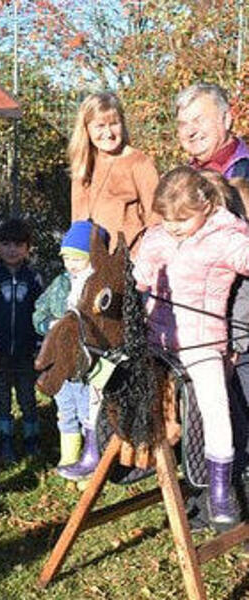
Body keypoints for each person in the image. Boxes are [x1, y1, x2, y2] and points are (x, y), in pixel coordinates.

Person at [133, 166, 249, 530]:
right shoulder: (157, 237)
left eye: (182, 219)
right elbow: (140, 277)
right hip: (157, 338)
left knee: (215, 403)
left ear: (206, 204)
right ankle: (108, 450)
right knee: (113, 376)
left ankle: (219, 486)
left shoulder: (227, 236)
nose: (173, 226)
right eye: (166, 218)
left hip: (202, 341)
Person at [176, 82, 249, 528]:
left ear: (226, 118)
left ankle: (239, 498)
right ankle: (221, 495)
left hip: (243, 308)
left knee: (242, 396)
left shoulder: (245, 167)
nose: (189, 130)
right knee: (210, 404)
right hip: (204, 309)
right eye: (183, 124)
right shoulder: (188, 176)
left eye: (198, 119)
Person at [33, 220, 108, 477]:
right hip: (63, 363)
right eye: (67, 258)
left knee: (90, 411)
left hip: (90, 364)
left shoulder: (99, 287)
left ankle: (91, 462)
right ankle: (68, 458)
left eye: (78, 258)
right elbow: (39, 311)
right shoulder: (61, 284)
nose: (71, 265)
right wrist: (50, 327)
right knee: (65, 409)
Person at [0, 218, 44, 463]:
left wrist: (40, 347)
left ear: (28, 248)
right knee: (2, 397)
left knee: (28, 398)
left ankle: (32, 440)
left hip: (27, 353)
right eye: (5, 244)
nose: (12, 249)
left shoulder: (35, 279)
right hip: (1, 353)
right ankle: (4, 441)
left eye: (18, 244)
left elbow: (41, 314)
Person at [69, 92, 160, 254]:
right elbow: (77, 220)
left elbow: (156, 218)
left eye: (114, 124)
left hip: (127, 260)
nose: (108, 133)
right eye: (100, 126)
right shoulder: (82, 165)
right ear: (86, 129)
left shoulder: (139, 162)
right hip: (89, 260)